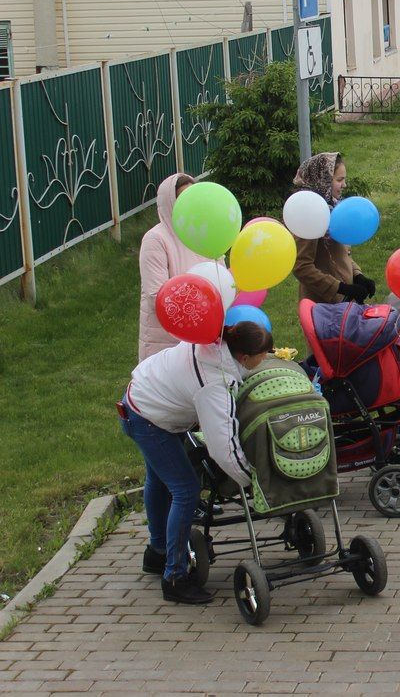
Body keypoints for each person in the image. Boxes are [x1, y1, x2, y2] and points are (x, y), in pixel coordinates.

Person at [120, 322, 268, 604]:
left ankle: (157, 553)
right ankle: (174, 578)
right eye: (262, 355)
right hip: (149, 418)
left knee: (159, 481)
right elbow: (222, 447)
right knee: (185, 490)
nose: (264, 359)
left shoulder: (211, 341)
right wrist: (252, 479)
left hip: (142, 399)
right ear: (245, 358)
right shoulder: (214, 383)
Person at [291, 152, 376, 305]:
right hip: (323, 306)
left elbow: (341, 253)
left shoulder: (333, 208)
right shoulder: (309, 214)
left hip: (343, 302)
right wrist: (340, 288)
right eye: (339, 180)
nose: (344, 185)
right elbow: (301, 266)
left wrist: (358, 276)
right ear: (323, 180)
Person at [138, 173, 204, 361]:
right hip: (167, 339)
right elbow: (156, 295)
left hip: (203, 334)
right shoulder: (156, 239)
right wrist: (196, 311)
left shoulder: (204, 234)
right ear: (171, 203)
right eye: (183, 199)